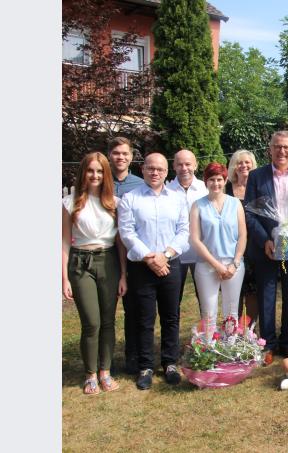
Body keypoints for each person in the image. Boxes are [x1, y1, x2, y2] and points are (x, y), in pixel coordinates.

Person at [118, 152, 189, 390]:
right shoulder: (131, 198)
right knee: (144, 319)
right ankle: (146, 366)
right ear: (143, 169)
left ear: (166, 172)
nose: (155, 172)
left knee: (171, 316)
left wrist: (165, 255)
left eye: (159, 169)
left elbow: (183, 231)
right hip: (142, 267)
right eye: (150, 168)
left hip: (170, 263)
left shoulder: (177, 198)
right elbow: (127, 233)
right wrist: (150, 257)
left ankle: (170, 363)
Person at [245, 131, 288, 365]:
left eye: (287, 147)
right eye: (278, 147)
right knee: (266, 295)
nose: (282, 151)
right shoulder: (256, 177)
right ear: (270, 149)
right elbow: (250, 212)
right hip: (266, 247)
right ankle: (268, 343)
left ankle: (287, 342)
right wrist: (265, 239)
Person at [62, 152, 127, 394]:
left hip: (108, 260)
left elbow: (120, 242)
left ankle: (105, 371)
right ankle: (90, 373)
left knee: (108, 321)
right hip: (80, 262)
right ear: (83, 173)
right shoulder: (70, 203)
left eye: (100, 171)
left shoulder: (115, 203)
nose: (95, 175)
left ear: (106, 174)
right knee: (91, 322)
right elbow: (63, 242)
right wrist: (64, 278)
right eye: (91, 170)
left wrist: (122, 274)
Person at [189, 162, 247, 330]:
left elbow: (243, 235)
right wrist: (217, 266)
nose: (216, 184)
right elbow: (195, 239)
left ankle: (229, 349)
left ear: (225, 180)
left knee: (231, 311)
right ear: (205, 181)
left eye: (219, 179)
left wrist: (235, 263)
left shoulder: (235, 203)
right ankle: (210, 350)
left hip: (233, 265)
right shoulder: (197, 205)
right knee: (209, 312)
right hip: (207, 265)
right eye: (212, 179)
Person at [106, 136, 143, 374]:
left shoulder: (139, 185)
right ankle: (104, 359)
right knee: (106, 310)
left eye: (125, 153)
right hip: (105, 250)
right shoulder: (100, 180)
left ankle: (134, 354)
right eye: (116, 153)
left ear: (131, 157)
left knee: (134, 308)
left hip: (130, 254)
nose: (121, 157)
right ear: (110, 155)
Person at [166, 149, 208, 310]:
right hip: (175, 253)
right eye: (180, 164)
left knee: (205, 298)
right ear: (174, 166)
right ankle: (172, 335)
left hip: (201, 252)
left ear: (195, 165)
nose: (184, 168)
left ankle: (207, 334)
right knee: (173, 299)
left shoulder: (205, 189)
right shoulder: (166, 190)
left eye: (188, 164)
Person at [225, 149, 259, 324]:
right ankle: (233, 331)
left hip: (255, 246)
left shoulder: (259, 187)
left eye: (247, 162)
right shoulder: (225, 188)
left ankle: (251, 333)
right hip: (230, 247)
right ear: (233, 167)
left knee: (253, 291)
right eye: (239, 162)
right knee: (233, 291)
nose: (244, 166)